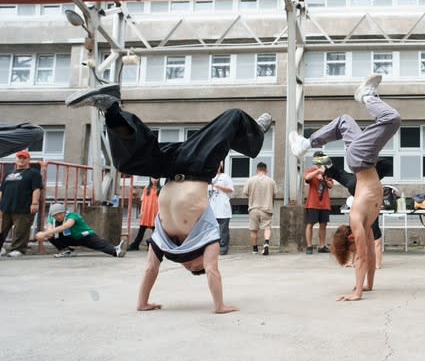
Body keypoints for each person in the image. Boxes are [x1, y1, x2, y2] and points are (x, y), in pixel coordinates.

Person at [65, 83, 271, 314]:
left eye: (189, 267)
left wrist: (142, 302)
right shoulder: (207, 237)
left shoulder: (165, 244)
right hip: (198, 167)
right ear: (197, 264)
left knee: (127, 162)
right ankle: (257, 132)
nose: (186, 265)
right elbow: (212, 270)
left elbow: (150, 268)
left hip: (168, 168)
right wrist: (219, 305)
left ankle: (111, 108)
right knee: (231, 118)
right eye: (193, 267)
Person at [288, 74, 401, 301]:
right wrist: (367, 286)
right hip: (362, 160)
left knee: (391, 119)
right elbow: (366, 255)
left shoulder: (356, 218)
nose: (357, 241)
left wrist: (357, 293)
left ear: (349, 239)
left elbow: (359, 257)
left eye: (352, 241)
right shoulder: (365, 224)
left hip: (360, 161)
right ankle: (306, 143)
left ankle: (307, 143)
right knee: (347, 121)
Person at [325, 158, 392, 271]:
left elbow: (354, 242)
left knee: (343, 175)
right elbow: (377, 243)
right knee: (374, 239)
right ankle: (333, 168)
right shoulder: (368, 217)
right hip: (360, 187)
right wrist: (377, 265)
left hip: (356, 184)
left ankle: (332, 168)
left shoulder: (357, 219)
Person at [35, 202, 127, 258]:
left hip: (84, 236)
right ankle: (66, 251)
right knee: (51, 235)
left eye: (59, 214)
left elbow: (65, 226)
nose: (58, 216)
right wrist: (43, 236)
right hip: (71, 238)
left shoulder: (72, 215)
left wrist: (44, 233)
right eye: (55, 215)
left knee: (99, 244)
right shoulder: (52, 219)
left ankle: (115, 250)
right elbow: (50, 234)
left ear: (64, 212)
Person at [0, 150, 42, 257]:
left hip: (23, 206)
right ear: (16, 159)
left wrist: (34, 203)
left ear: (28, 160)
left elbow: (36, 189)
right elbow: (2, 190)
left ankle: (18, 249)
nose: (21, 160)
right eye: (19, 158)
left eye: (24, 158)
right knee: (1, 228)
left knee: (21, 229)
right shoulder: (9, 174)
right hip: (5, 206)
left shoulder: (34, 173)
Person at [303, 151, 333, 254]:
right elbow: (306, 178)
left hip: (324, 203)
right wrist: (317, 172)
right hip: (313, 202)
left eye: (321, 158)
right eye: (317, 158)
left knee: (323, 225)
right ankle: (309, 246)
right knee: (310, 224)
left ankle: (321, 246)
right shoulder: (310, 170)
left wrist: (323, 178)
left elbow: (330, 185)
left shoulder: (327, 172)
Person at [243, 162, 276, 255]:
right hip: (266, 208)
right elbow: (274, 195)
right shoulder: (271, 181)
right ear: (266, 170)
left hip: (253, 208)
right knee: (267, 228)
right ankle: (266, 243)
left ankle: (255, 249)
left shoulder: (250, 180)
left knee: (254, 230)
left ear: (257, 170)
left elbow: (245, 193)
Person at [128, 177, 160, 251]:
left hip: (155, 212)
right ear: (150, 179)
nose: (155, 180)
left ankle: (152, 246)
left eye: (156, 178)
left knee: (155, 231)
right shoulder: (146, 188)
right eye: (153, 178)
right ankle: (135, 245)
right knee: (141, 230)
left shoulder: (160, 189)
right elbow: (143, 201)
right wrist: (141, 212)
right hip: (146, 212)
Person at [209, 163, 234, 255]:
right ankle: (212, 248)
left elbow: (231, 190)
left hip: (223, 209)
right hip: (211, 209)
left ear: (220, 167)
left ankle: (223, 248)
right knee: (212, 230)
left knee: (223, 230)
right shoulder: (208, 178)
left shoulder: (225, 177)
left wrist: (220, 187)